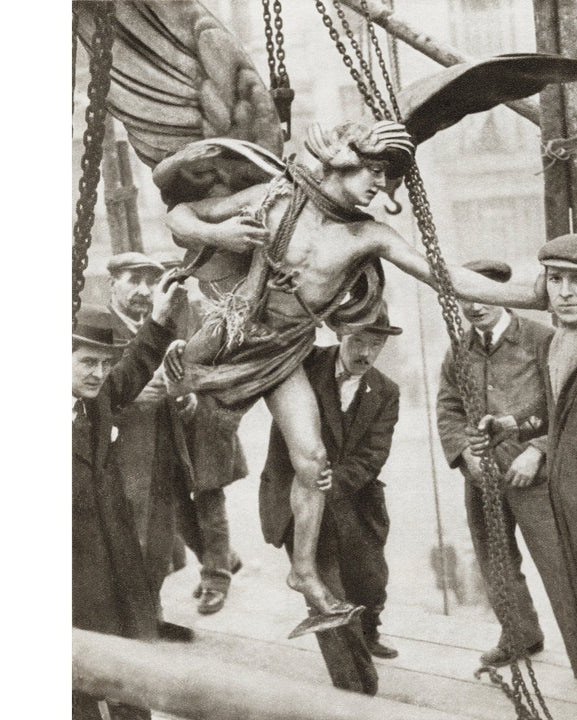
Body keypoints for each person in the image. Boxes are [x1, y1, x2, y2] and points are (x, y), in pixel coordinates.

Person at [162, 118, 547, 620]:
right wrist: (220, 233)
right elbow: (180, 215)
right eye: (374, 173)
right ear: (344, 162)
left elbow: (446, 277)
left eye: (387, 178)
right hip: (229, 334)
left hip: (284, 350)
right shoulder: (275, 198)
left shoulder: (370, 235)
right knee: (147, 404)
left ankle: (303, 572)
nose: (380, 187)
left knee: (313, 459)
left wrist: (531, 295)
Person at [468, 234, 577, 720]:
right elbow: (564, 417)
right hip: (572, 520)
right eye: (555, 279)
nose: (564, 292)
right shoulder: (565, 338)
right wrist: (513, 426)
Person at [436, 260, 577, 677]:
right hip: (481, 475)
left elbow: (566, 405)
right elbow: (449, 409)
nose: (474, 307)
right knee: (494, 559)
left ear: (502, 295)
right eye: (463, 298)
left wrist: (538, 449)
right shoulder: (458, 350)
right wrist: (464, 456)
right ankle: (518, 635)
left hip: (537, 476)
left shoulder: (542, 340)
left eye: (484, 296)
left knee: (559, 565)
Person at [260, 301, 402, 685]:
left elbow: (375, 454)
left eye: (376, 344)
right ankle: (356, 689)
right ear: (341, 334)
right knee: (327, 596)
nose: (365, 353)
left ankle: (369, 632)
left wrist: (337, 480)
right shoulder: (301, 367)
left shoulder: (386, 392)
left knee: (370, 585)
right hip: (300, 505)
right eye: (358, 341)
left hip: (355, 503)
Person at [72, 276, 187, 720]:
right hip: (75, 592)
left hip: (119, 577)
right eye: (87, 362)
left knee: (132, 690)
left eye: (103, 363)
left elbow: (133, 368)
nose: (98, 373)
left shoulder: (94, 402)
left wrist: (159, 317)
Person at [105, 252, 199, 626]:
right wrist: (128, 402)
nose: (144, 291)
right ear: (113, 282)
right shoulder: (95, 329)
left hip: (163, 451)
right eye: (133, 280)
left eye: (151, 283)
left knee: (159, 540)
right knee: (129, 541)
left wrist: (184, 395)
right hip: (121, 458)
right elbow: (84, 397)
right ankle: (127, 625)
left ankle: (151, 616)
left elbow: (173, 380)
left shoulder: (158, 332)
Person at [155, 251, 247, 615]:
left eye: (177, 278)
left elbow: (230, 369)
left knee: (209, 501)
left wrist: (196, 390)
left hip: (206, 422)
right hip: (169, 423)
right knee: (178, 506)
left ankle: (216, 579)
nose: (171, 286)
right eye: (165, 281)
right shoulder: (155, 319)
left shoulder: (207, 315)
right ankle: (224, 557)